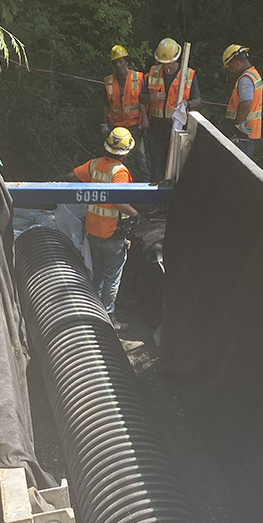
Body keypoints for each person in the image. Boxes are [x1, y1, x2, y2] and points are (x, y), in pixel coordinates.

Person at [71, 126, 139, 326]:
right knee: (111, 277)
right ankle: (107, 319)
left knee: (98, 274)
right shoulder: (120, 172)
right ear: (126, 152)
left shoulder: (95, 164)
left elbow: (70, 177)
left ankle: (92, 312)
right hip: (112, 233)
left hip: (93, 231)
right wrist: (135, 214)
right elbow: (118, 202)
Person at [140, 37, 202, 183]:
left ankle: (171, 198)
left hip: (176, 127)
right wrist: (151, 97)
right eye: (163, 64)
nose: (166, 67)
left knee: (174, 166)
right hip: (156, 127)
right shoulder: (153, 72)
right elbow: (141, 98)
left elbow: (198, 101)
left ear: (177, 58)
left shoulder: (188, 74)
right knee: (157, 164)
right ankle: (156, 201)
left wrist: (187, 104)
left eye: (169, 63)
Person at [102, 44, 149, 182]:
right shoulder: (108, 81)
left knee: (140, 160)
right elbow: (105, 104)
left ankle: (146, 189)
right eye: (115, 62)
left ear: (126, 61)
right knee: (118, 162)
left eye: (121, 61)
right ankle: (121, 186)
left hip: (135, 126)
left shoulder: (139, 78)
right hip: (116, 127)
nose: (118, 65)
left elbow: (145, 101)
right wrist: (103, 124)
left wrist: (144, 121)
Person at [221, 44, 263, 160]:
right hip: (249, 133)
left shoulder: (245, 79)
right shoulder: (254, 74)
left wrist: (238, 124)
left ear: (237, 63)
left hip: (242, 134)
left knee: (236, 168)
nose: (231, 70)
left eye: (230, 67)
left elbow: (246, 104)